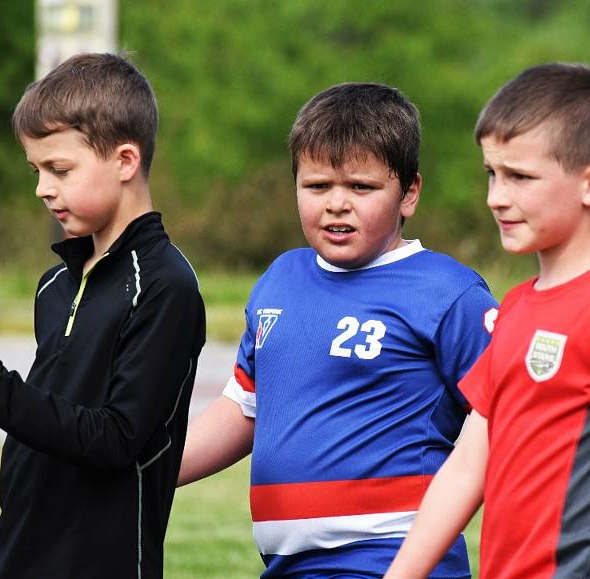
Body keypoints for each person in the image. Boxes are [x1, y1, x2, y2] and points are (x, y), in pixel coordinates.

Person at [385, 63, 590, 579]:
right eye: (492, 173)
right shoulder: (513, 309)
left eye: (520, 177)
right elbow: (467, 468)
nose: (496, 197)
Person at [177, 82, 498, 577]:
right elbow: (244, 409)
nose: (337, 204)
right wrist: (147, 469)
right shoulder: (279, 280)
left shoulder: (448, 292)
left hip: (392, 559)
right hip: (287, 566)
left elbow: (505, 418)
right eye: (318, 186)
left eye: (361, 187)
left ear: (409, 192)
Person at [0, 53, 205, 579]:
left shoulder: (165, 285)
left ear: (125, 161)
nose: (42, 188)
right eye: (36, 171)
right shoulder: (55, 284)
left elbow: (116, 438)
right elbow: (50, 421)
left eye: (59, 169)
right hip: (18, 554)